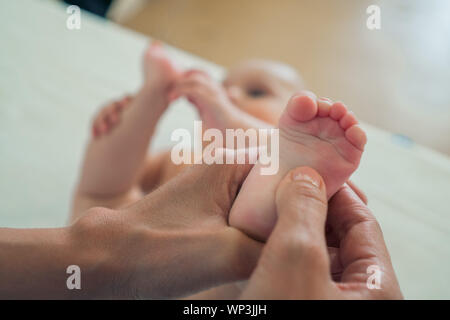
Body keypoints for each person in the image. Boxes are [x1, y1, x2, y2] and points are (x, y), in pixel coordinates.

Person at [0, 162, 402, 299]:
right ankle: (259, 222)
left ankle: (258, 221)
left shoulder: (236, 153)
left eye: (256, 92)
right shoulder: (196, 163)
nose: (227, 90)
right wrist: (142, 113)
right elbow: (108, 188)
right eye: (226, 85)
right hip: (121, 245)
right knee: (98, 196)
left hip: (191, 283)